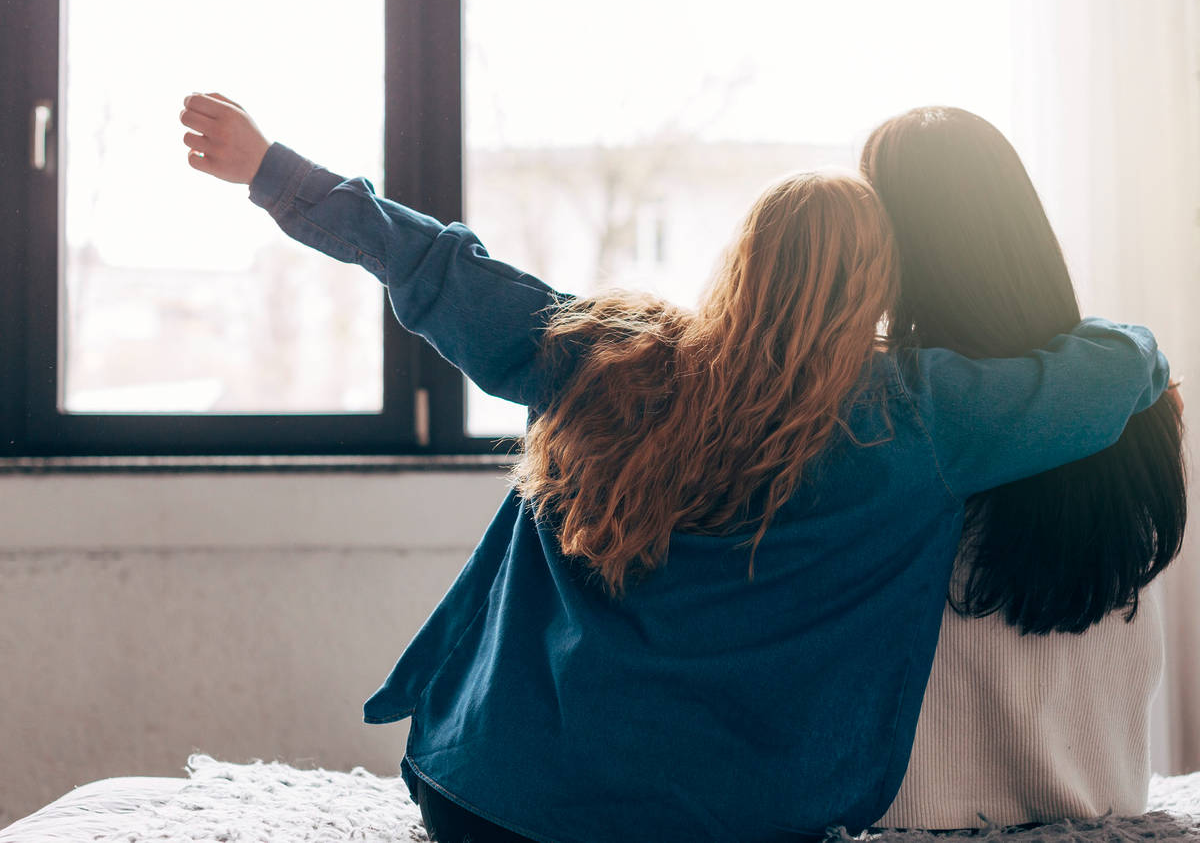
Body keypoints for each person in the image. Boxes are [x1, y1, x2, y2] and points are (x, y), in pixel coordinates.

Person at [180, 92, 1171, 843]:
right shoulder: (918, 414)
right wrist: (1145, 348)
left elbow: (432, 263)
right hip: (732, 820)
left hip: (488, 800)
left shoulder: (603, 353)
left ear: (739, 259)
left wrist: (273, 170)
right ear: (880, 288)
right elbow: (1107, 372)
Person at [860, 106, 1186, 830]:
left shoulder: (893, 412)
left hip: (925, 812)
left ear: (897, 246)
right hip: (1107, 800)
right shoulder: (1135, 399)